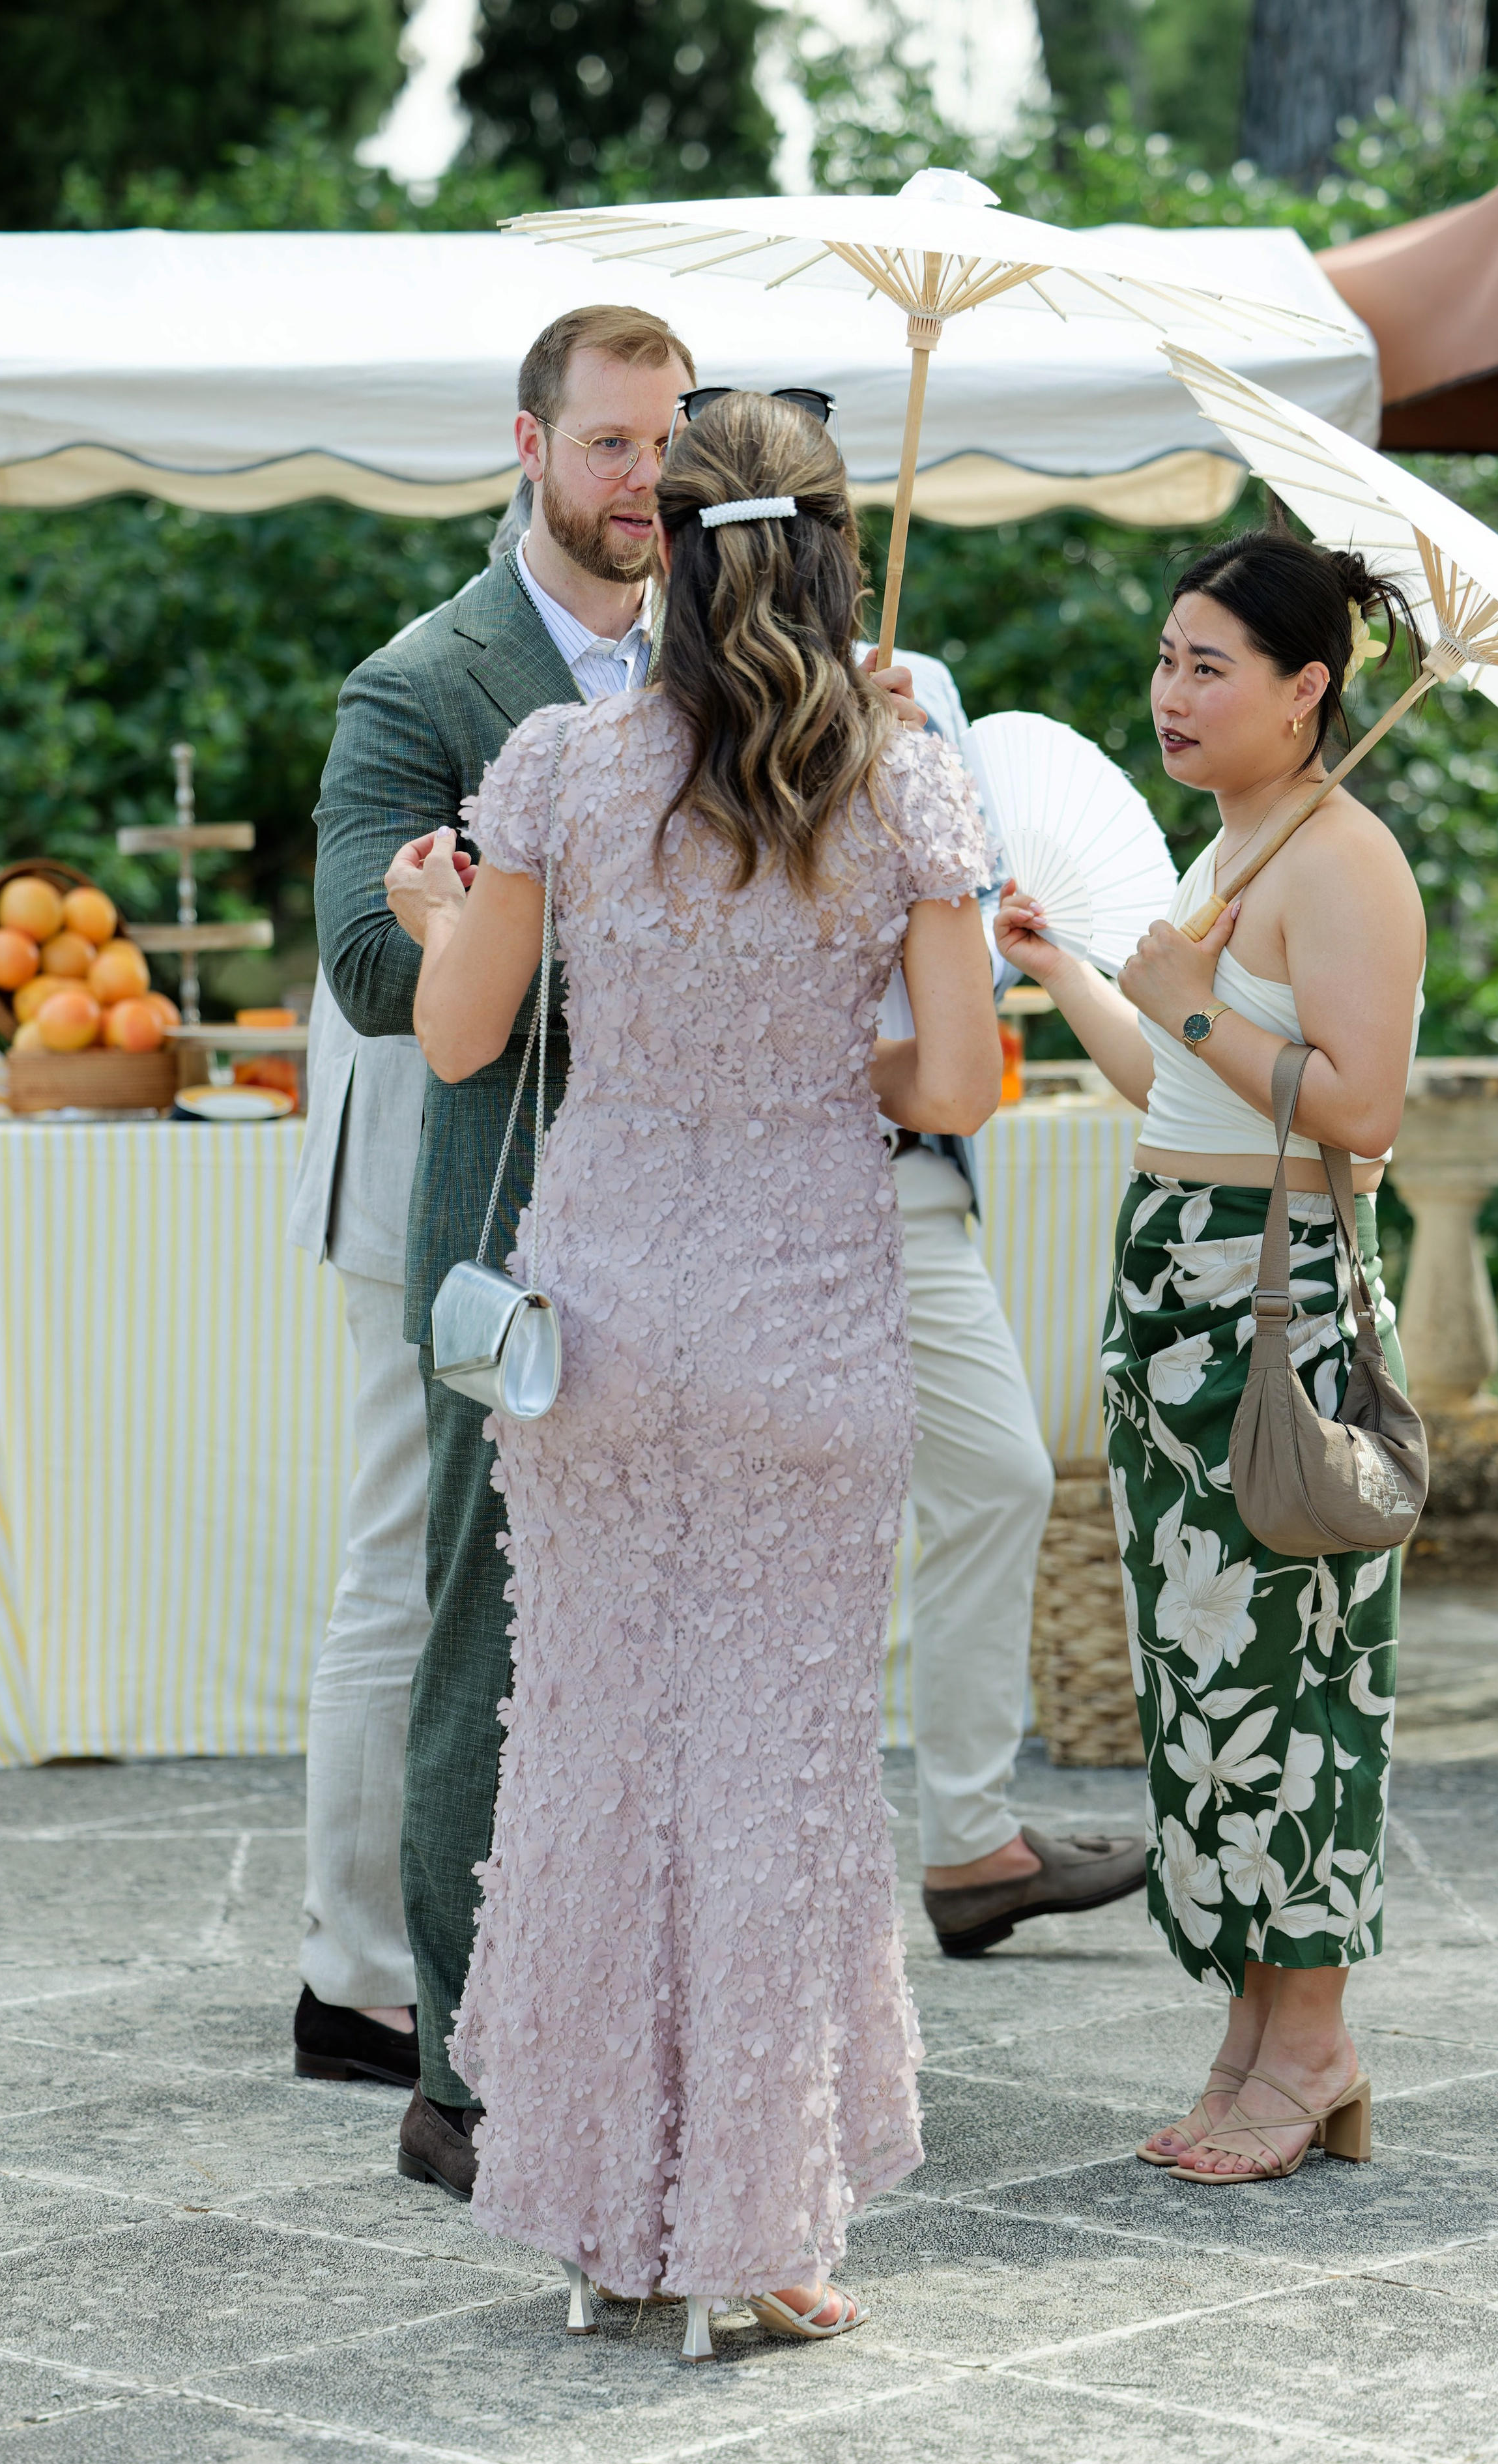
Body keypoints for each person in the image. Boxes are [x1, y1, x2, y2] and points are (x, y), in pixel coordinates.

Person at [386, 392, 1002, 2352]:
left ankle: (595, 2225)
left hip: (614, 1332)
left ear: (674, 540)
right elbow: (963, 1080)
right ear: (829, 549)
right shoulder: (900, 777)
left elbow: (464, 1040)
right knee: (782, 1776)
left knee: (598, 1759)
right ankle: (756, 2232)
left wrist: (432, 912)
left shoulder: (562, 760)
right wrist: (852, 1062)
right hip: (811, 1322)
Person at [313, 302, 699, 2198]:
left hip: (710, 1222)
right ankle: (461, 2077)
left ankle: (629, 2018)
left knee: (663, 1652)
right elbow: (377, 977)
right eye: (614, 445)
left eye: (668, 446)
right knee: (493, 1641)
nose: (647, 484)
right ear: (530, 448)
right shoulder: (420, 683)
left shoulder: (732, 660)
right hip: (511, 1235)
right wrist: (492, 899)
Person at [997, 523, 1424, 2185]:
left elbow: (1358, 1113)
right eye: (1165, 659)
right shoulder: (1234, 846)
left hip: (1280, 1306)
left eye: (1206, 667)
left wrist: (1182, 1004)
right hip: (1178, 1291)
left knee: (1291, 1683)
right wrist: (1074, 978)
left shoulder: (1343, 863)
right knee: (1203, 1685)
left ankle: (1311, 2044)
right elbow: (1169, 1086)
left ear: (1304, 688)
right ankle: (1253, 2036)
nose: (1168, 693)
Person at [863, 654, 1145, 1954]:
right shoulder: (667, 680)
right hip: (749, 1169)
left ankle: (971, 1845)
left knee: (998, 1476)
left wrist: (917, 782)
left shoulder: (919, 686)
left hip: (915, 1166)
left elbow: (961, 943)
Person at [284, 975, 427, 2087]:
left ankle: (377, 1961)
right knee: (402, 1569)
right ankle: (359, 1979)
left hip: (418, 1147)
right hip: (411, 1152)